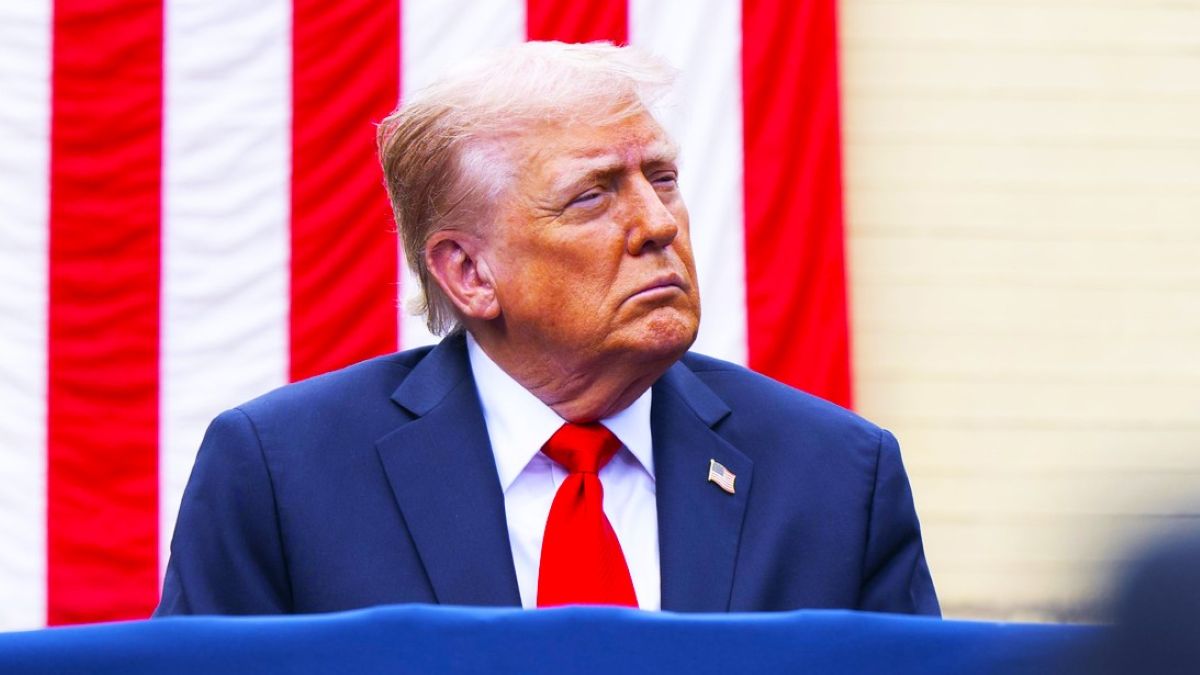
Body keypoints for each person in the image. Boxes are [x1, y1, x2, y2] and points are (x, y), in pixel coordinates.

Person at [156, 42, 938, 616]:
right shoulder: (282, 477)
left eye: (661, 178)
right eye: (593, 197)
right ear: (468, 273)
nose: (658, 223)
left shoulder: (837, 476)